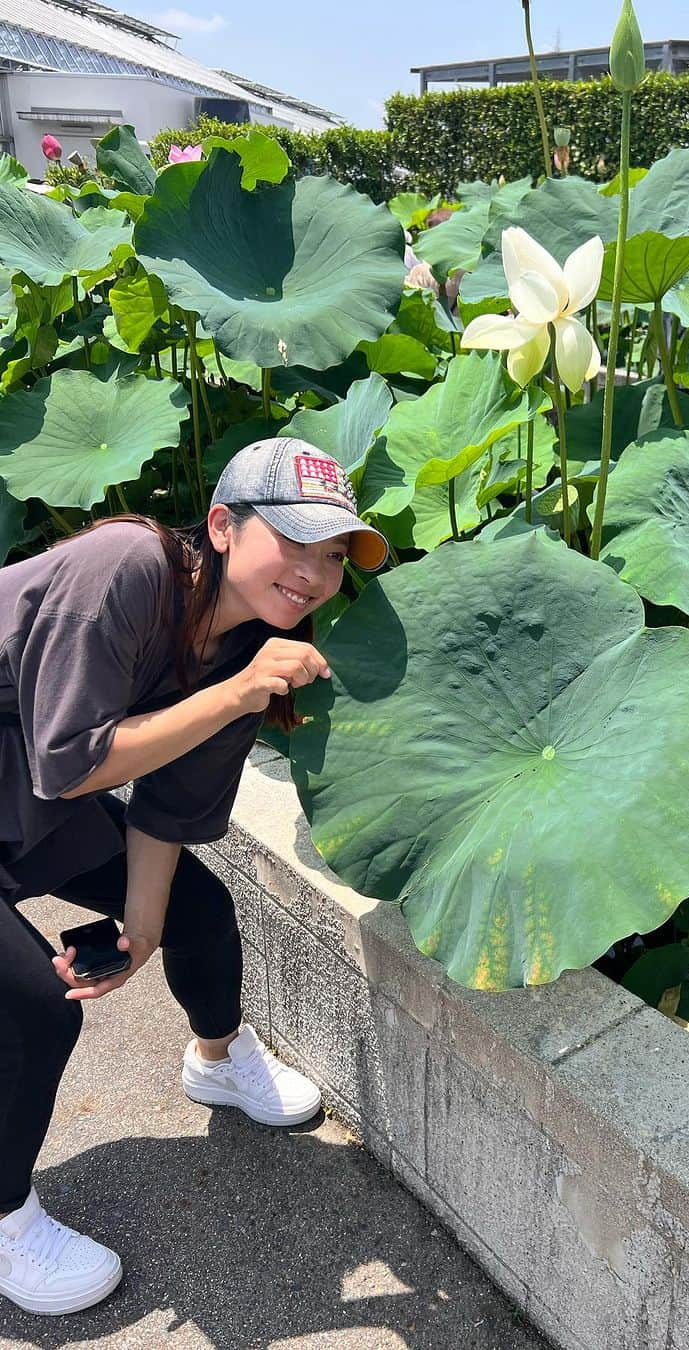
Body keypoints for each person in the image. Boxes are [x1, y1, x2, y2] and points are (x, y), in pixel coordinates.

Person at [0, 438, 389, 1317]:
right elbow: (69, 763)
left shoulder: (249, 644)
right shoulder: (125, 566)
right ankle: (5, 1221)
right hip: (32, 778)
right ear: (221, 525)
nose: (317, 573)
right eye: (295, 541)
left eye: (334, 556)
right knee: (28, 1009)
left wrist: (139, 931)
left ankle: (216, 1061)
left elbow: (168, 810)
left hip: (20, 793)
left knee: (199, 909)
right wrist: (238, 692)